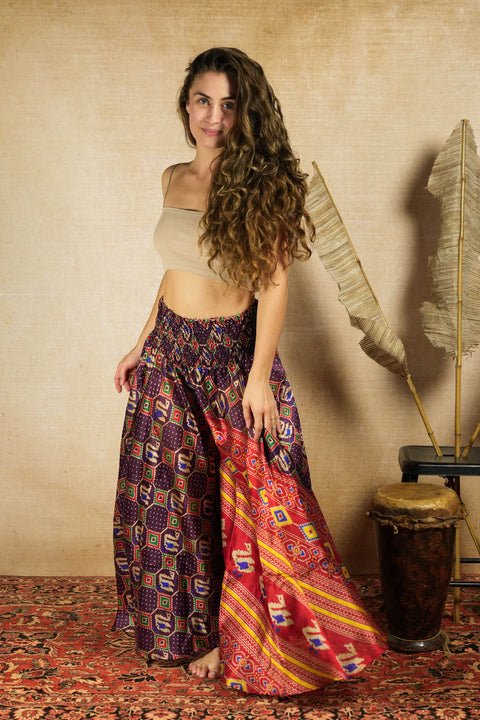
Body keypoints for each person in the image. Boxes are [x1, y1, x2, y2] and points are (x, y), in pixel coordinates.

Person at [113, 47, 386, 696]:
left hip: (230, 354)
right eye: (203, 101)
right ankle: (192, 632)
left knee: (253, 501)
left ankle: (244, 637)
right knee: (172, 497)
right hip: (168, 354)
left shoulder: (263, 183)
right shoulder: (172, 177)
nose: (214, 116)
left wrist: (258, 376)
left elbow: (274, 284)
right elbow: (174, 272)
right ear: (186, 105)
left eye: (229, 105)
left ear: (246, 113)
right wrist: (140, 342)